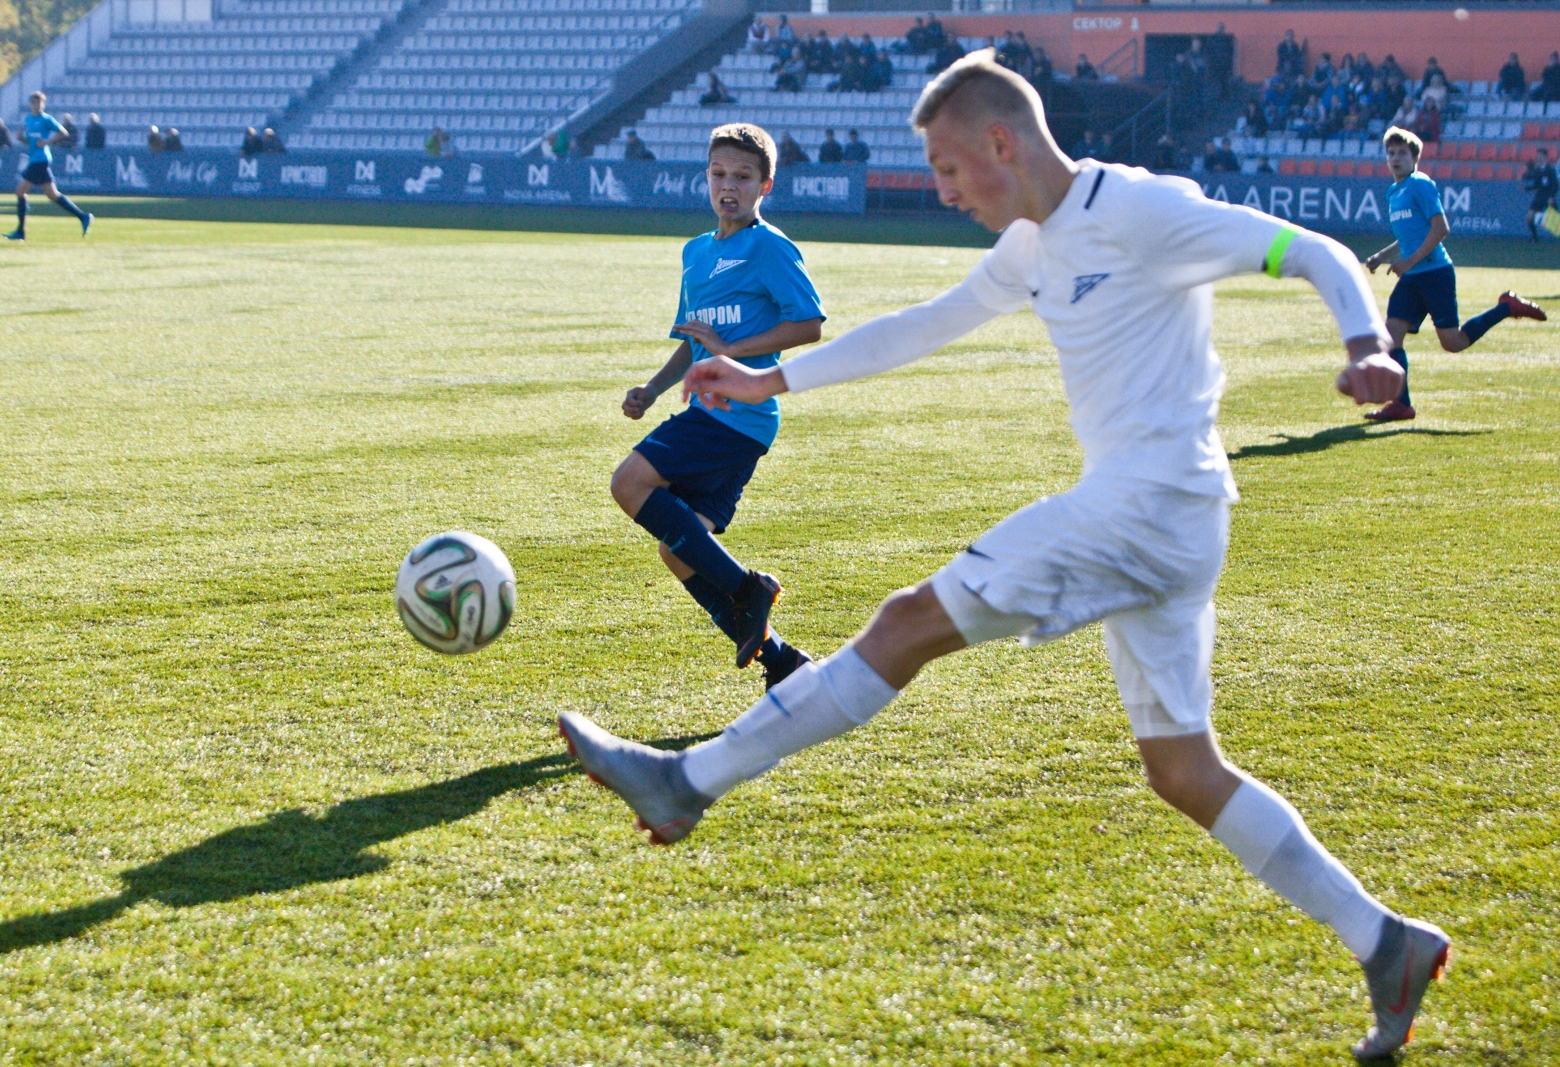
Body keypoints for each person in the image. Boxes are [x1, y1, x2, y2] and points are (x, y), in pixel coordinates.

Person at [560, 47, 1455, 1065]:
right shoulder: (1033, 244)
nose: (940, 192)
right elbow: (924, 325)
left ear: (1000, 144)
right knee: (1182, 768)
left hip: (1146, 503)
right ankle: (1384, 939)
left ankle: (686, 780)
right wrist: (769, 385)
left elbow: (1312, 250)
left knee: (903, 624)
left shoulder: (1143, 211)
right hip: (1173, 518)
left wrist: (1362, 344)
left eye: (946, 168)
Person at [611, 122, 824, 690]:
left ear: (765, 185)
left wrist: (735, 351)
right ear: (706, 178)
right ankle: (784, 663)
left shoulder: (770, 247)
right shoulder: (695, 253)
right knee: (679, 551)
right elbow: (692, 341)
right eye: (719, 174)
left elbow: (809, 325)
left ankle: (748, 589)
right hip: (717, 418)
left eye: (742, 176)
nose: (728, 186)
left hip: (738, 413)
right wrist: (653, 390)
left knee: (629, 483)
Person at [1361, 126, 1546, 421]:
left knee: (1454, 343)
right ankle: (1401, 404)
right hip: (1412, 278)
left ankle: (1506, 307)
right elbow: (1410, 235)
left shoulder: (1420, 184)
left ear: (1414, 158)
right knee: (1391, 334)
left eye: (1402, 153)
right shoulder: (1394, 192)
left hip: (1435, 274)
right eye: (1391, 153)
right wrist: (1382, 256)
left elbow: (1440, 229)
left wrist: (1408, 263)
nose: (1395, 158)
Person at [3, 91, 93, 242]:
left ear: (43, 104)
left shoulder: (46, 119)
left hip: (41, 160)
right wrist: (21, 139)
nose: (36, 105)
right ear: (30, 104)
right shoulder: (28, 120)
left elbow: (63, 133)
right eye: (34, 102)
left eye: (39, 102)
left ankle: (20, 232)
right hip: (35, 159)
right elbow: (31, 143)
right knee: (52, 194)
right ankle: (83, 216)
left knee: (20, 191)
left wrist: (48, 142)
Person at [1525, 146, 1558, 241]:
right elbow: (1536, 185)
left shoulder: (1550, 169)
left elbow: (1555, 185)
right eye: (1538, 155)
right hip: (1539, 197)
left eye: (1541, 155)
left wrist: (1552, 197)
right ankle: (1534, 238)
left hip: (1548, 197)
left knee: (1555, 222)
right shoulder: (1537, 170)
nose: (1539, 157)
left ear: (1545, 156)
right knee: (1529, 217)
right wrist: (1526, 188)